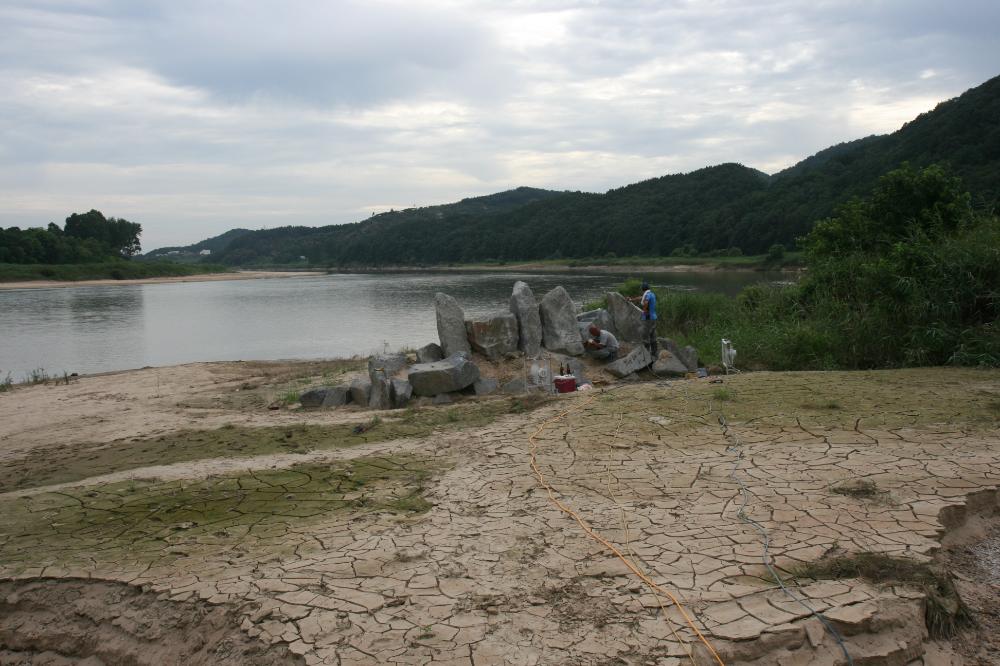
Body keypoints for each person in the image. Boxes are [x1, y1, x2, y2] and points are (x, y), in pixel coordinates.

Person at [629, 281, 658, 356]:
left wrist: (645, 311)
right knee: (652, 335)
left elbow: (645, 302)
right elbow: (641, 298)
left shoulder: (647, 295)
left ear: (643, 289)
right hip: (654, 317)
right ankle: (654, 353)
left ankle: (646, 354)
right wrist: (631, 300)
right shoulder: (651, 294)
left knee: (645, 335)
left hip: (648, 318)